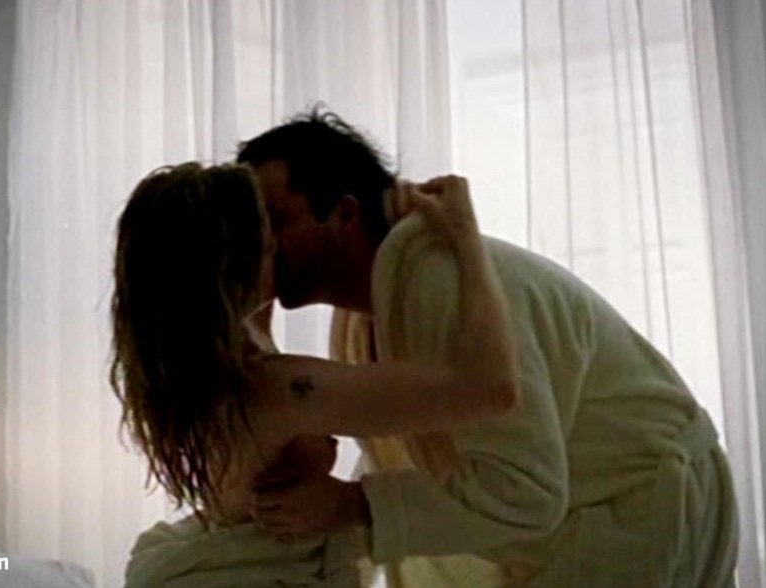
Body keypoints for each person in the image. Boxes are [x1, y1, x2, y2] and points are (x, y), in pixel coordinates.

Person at [240, 109, 739, 587]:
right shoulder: (368, 311)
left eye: (275, 221)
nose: (261, 245)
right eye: (252, 230)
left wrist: (351, 506)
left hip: (636, 503)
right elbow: (415, 454)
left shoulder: (438, 281)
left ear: (345, 214)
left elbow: (525, 492)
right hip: (582, 507)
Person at [112, 162, 518, 587]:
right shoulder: (277, 390)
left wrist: (377, 222)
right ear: (235, 269)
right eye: (269, 244)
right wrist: (465, 237)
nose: (279, 249)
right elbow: (489, 390)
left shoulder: (211, 356)